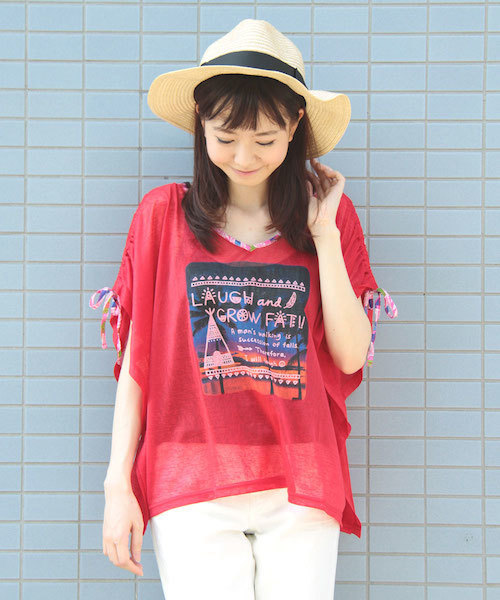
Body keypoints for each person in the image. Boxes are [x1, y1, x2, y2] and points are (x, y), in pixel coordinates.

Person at [89, 18, 398, 599]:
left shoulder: (329, 220)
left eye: (265, 139)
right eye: (226, 136)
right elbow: (138, 363)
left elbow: (351, 354)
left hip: (300, 476)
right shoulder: (163, 217)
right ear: (200, 122)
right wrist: (117, 487)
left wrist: (325, 235)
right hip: (190, 474)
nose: (244, 156)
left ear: (296, 126)